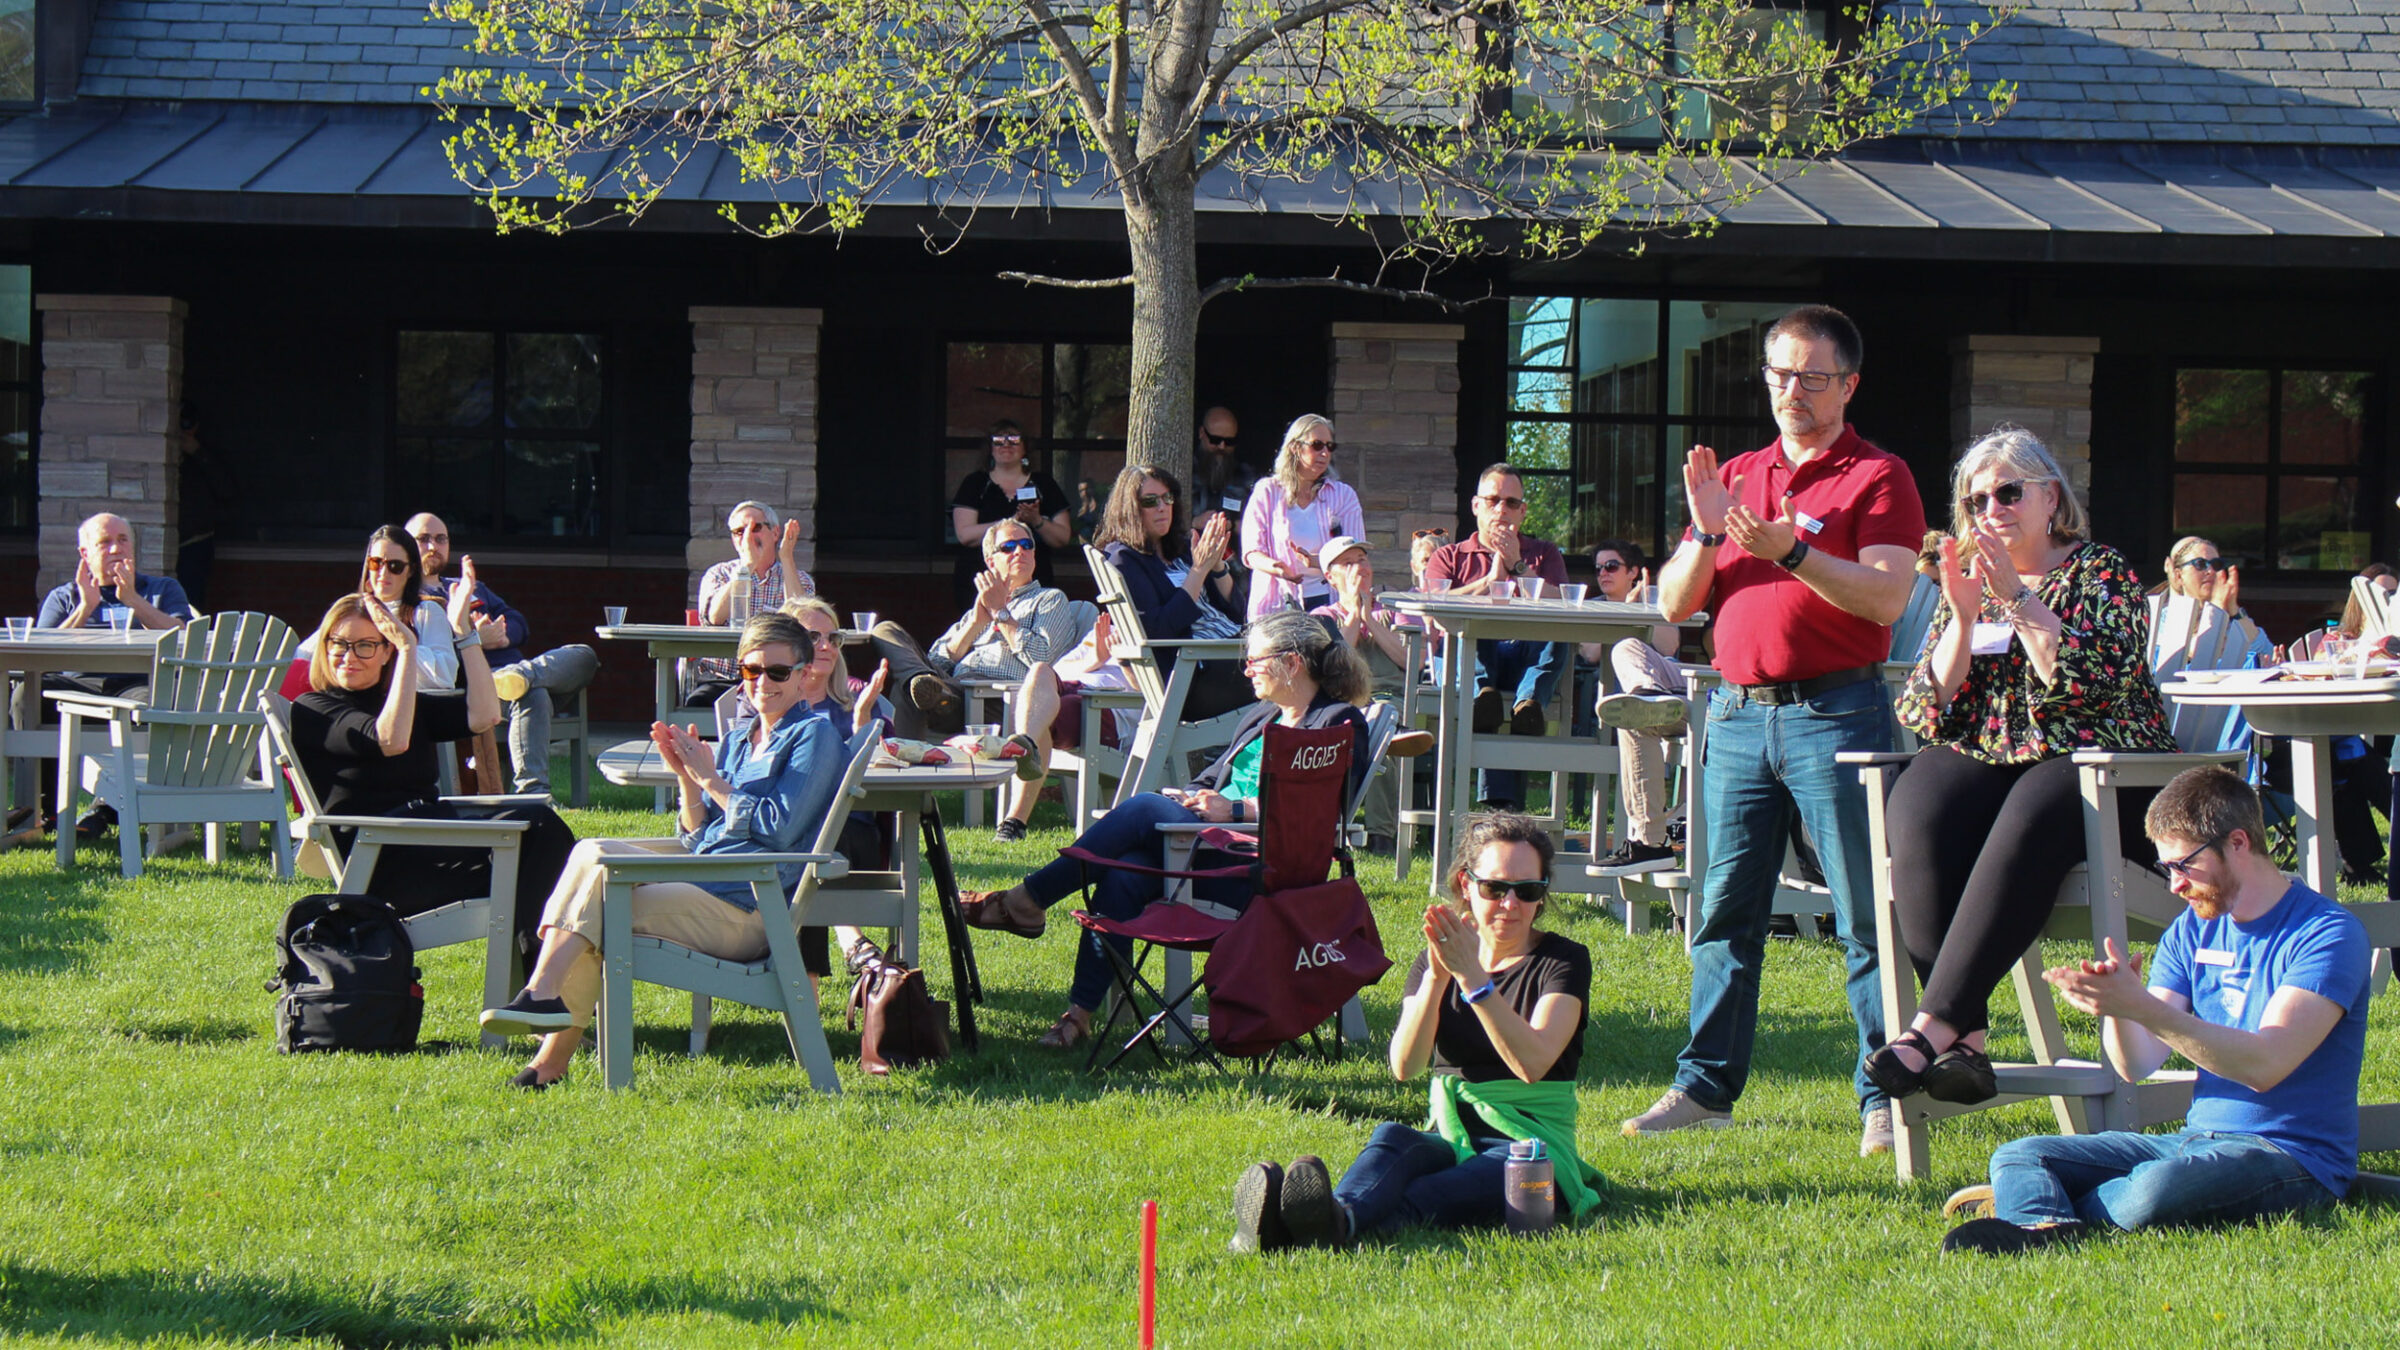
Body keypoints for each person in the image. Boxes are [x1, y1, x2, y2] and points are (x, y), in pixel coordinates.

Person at [1621, 304, 1928, 1157]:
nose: (1791, 390)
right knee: (1723, 914)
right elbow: (1674, 605)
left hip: (1839, 713)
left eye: (1812, 377)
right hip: (1738, 716)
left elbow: (1886, 598)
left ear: (1849, 384)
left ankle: (1886, 1093)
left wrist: (1792, 551)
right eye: (1778, 373)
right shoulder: (1739, 474)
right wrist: (1709, 529)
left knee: (1867, 914)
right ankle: (1703, 1089)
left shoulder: (1879, 476)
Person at [1939, 766, 2372, 1253]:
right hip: (2196, 1140)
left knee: (2155, 1190)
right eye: (2167, 868)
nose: (2175, 886)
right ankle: (2041, 1225)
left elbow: (2266, 1065)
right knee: (2021, 1153)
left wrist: (2143, 1006)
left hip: (2292, 1157)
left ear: (2237, 843)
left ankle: (2034, 1208)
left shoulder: (2327, 933)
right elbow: (2135, 1064)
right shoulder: (2191, 930)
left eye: (2184, 865)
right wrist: (2120, 1007)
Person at [1871, 428, 2179, 1107]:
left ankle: (1930, 1028)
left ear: (2049, 496)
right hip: (2004, 767)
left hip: (2108, 771)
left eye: (2008, 492)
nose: (1992, 510)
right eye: (1975, 500)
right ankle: (1968, 1040)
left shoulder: (2102, 573)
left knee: (2041, 794)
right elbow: (1925, 709)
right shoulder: (1969, 583)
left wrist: (2020, 599)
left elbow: (2087, 690)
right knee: (1920, 796)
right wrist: (1960, 616)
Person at [956, 612, 1370, 1050]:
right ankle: (1079, 1014)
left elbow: (1318, 810)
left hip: (1258, 870)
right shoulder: (1265, 715)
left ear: (1292, 663)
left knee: (1141, 809)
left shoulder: (1336, 723)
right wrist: (1190, 798)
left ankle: (1027, 900)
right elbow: (1209, 779)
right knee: (1125, 872)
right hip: (1207, 847)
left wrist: (1231, 809)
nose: (1246, 670)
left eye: (1255, 661)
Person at [476, 613, 851, 1089]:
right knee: (592, 852)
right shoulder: (740, 738)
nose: (764, 683)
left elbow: (778, 829)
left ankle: (545, 1035)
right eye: (752, 671)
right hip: (707, 884)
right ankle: (543, 1014)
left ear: (803, 674)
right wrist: (686, 780)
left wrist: (710, 780)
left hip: (752, 907)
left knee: (600, 908)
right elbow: (700, 838)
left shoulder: (813, 736)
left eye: (778, 672)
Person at [1230, 813, 1602, 1250]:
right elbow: (1405, 1066)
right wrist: (1437, 979)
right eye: (1495, 888)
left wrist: (1474, 983)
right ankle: (1332, 1217)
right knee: (1393, 1139)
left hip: (1530, 1148)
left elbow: (1534, 1063)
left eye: (1528, 891)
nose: (1510, 904)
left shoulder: (1563, 961)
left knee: (1426, 1196)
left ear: (1542, 896)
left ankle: (1309, 1228)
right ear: (1467, 885)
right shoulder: (1437, 963)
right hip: (1451, 1134)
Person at [280, 586, 577, 965]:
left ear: (383, 652)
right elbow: (390, 739)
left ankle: (542, 980)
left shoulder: (403, 704)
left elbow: (485, 715)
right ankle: (541, 979)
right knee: (541, 836)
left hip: (429, 842)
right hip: (385, 863)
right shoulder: (316, 709)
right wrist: (407, 651)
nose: (348, 656)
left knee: (559, 850)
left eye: (365, 646)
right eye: (338, 643)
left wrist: (465, 635)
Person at [407, 512, 601, 799]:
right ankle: (532, 796)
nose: (433, 546)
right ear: (407, 546)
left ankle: (522, 676)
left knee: (584, 654)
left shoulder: (468, 586)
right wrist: (474, 640)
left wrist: (504, 635)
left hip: (513, 672)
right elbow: (433, 662)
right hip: (475, 687)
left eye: (440, 538)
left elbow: (518, 621)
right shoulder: (412, 602)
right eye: (423, 539)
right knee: (534, 695)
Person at [31, 512, 197, 838]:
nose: (116, 549)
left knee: (165, 699)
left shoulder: (162, 589)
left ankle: (110, 809)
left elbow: (183, 637)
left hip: (138, 685)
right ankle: (45, 813)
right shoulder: (64, 596)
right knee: (28, 694)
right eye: (105, 542)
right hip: (77, 686)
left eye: (123, 541)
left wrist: (133, 600)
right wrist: (84, 608)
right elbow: (41, 654)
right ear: (85, 553)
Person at [864, 517, 1086, 748]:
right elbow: (936, 660)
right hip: (953, 690)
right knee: (885, 630)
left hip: (998, 699)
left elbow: (1040, 659)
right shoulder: (981, 605)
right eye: (1009, 547)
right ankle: (932, 695)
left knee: (906, 691)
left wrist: (1001, 612)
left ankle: (905, 774)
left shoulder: (1049, 600)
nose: (1020, 551)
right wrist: (974, 625)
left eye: (1027, 545)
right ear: (991, 562)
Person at [1423, 464, 1571, 810]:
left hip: (1523, 661)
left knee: (1557, 633)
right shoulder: (1449, 556)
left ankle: (1528, 705)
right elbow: (1434, 608)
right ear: (1476, 505)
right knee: (1474, 635)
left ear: (1523, 511)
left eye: (1510, 502)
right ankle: (1502, 807)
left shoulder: (1544, 553)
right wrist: (1488, 582)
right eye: (1492, 500)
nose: (1501, 510)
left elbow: (1566, 604)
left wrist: (1518, 566)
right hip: (1469, 659)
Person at [1092, 463, 1252, 722]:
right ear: (1130, 509)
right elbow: (1158, 629)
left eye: (1167, 498)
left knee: (1314, 633)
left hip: (1235, 648)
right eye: (1150, 501)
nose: (1162, 507)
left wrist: (1217, 564)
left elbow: (1235, 612)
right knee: (1299, 662)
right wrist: (1198, 571)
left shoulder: (1182, 549)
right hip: (1196, 674)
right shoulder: (1123, 560)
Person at [1310, 536, 1428, 852]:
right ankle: (1331, 827)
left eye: (1362, 559)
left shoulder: (1397, 610)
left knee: (1386, 725)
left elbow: (1414, 661)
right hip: (1341, 701)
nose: (1359, 567)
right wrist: (1352, 613)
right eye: (1348, 563)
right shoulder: (1322, 617)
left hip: (1390, 697)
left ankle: (1381, 835)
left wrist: (1370, 620)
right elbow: (1334, 661)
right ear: (1330, 576)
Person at [1582, 539, 1689, 877]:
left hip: (1675, 689)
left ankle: (1647, 698)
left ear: (1633, 573)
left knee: (1630, 708)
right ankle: (1645, 698)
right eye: (1598, 568)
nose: (1603, 574)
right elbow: (1589, 654)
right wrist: (1621, 614)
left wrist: (1641, 609)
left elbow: (1670, 646)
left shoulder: (1656, 600)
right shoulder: (1593, 605)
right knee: (1626, 662)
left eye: (1611, 566)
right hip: (1619, 703)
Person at [689, 501, 818, 706]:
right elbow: (715, 617)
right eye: (739, 531)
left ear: (775, 533)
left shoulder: (798, 578)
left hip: (778, 680)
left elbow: (804, 622)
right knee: (698, 702)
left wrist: (786, 558)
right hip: (722, 680)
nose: (747, 536)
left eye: (756, 528)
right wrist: (747, 567)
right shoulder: (719, 574)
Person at [1240, 414, 1363, 620]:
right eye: (1317, 445)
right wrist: (1278, 568)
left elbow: (1355, 552)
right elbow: (1252, 552)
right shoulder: (1267, 491)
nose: (1324, 452)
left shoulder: (1343, 495)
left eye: (1329, 447)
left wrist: (1316, 561)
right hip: (1277, 601)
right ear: (1295, 447)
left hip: (1329, 601)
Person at [949, 419, 1072, 609]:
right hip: (981, 579)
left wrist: (1036, 521)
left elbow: (1063, 537)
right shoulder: (974, 483)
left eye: (1014, 439)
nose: (1006, 444)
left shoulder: (1043, 483)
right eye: (998, 440)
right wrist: (1011, 522)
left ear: (1025, 448)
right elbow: (965, 535)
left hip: (1033, 581)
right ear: (990, 448)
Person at [2148, 535, 2271, 669]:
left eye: (2216, 564)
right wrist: (2218, 606)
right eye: (2200, 564)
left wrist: (2234, 608)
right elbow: (2198, 657)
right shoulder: (2163, 619)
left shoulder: (2230, 618)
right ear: (2178, 576)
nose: (2210, 571)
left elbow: (2266, 653)